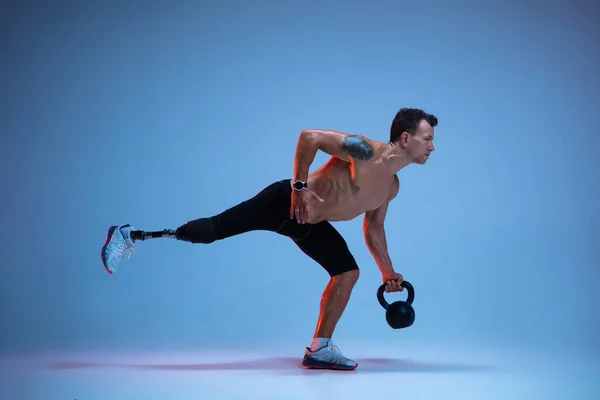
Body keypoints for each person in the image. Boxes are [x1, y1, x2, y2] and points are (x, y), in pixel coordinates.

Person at [100, 107, 438, 371]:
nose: (432, 147)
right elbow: (310, 137)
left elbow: (374, 228)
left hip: (310, 225)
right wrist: (299, 189)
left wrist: (387, 271)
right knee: (213, 231)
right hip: (284, 203)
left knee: (348, 273)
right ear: (406, 139)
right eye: (427, 139)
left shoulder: (391, 188)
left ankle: (320, 348)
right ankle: (129, 235)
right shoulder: (364, 151)